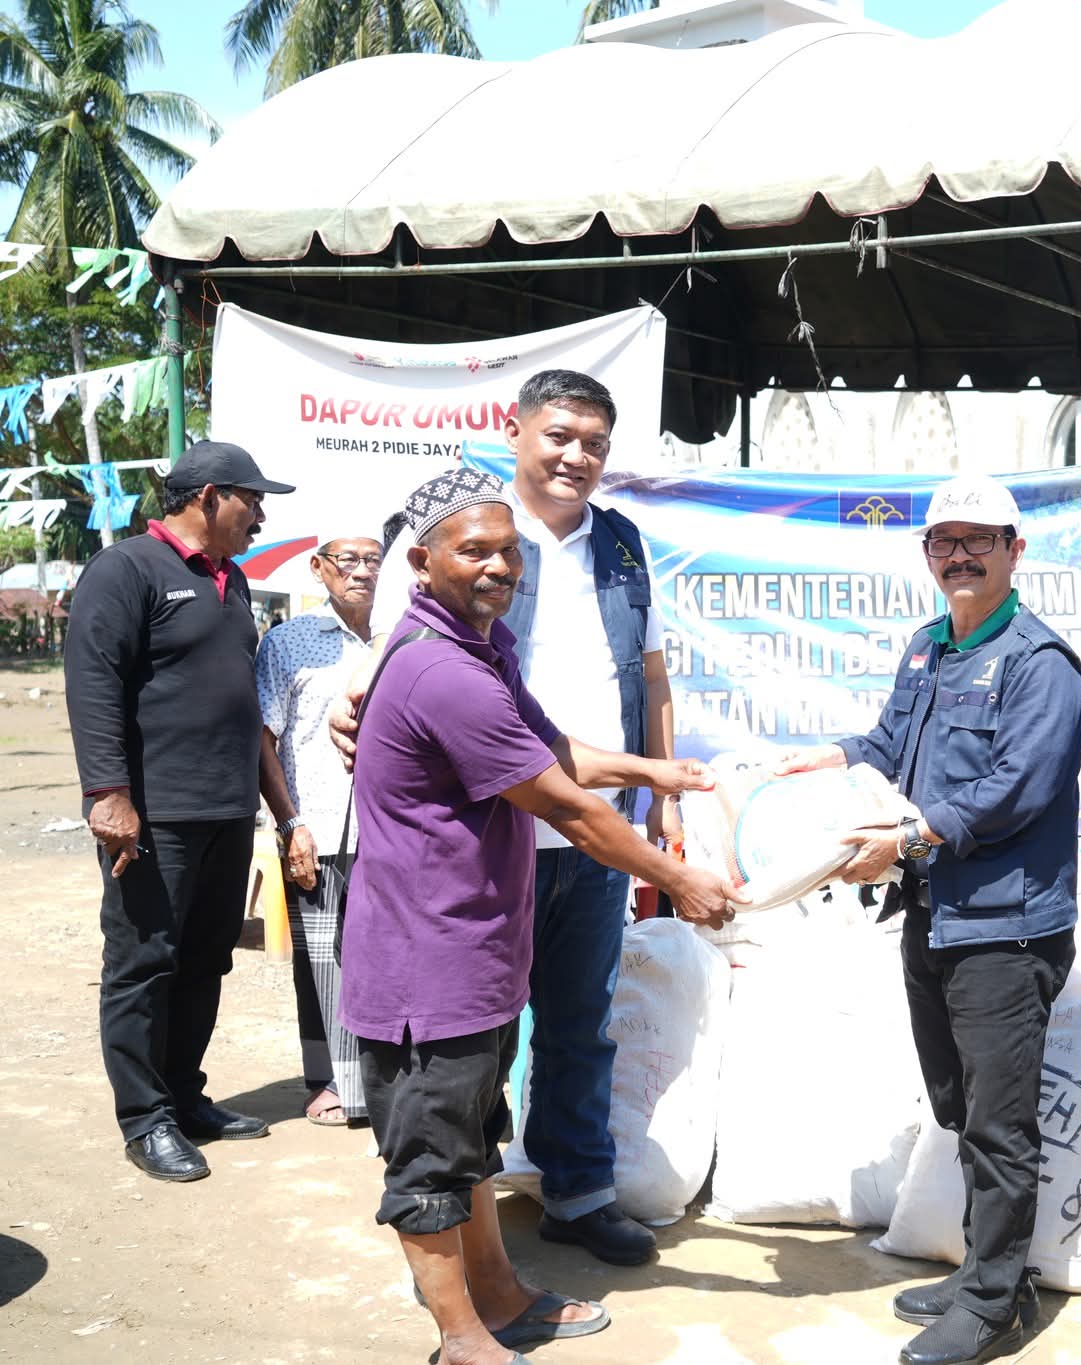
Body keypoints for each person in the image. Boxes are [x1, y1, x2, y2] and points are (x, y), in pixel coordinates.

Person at [342, 469, 736, 1365]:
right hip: (425, 968)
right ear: (422, 562)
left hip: (475, 953)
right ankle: (462, 1339)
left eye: (508, 550)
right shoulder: (444, 671)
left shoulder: (484, 649)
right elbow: (564, 805)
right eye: (473, 550)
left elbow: (553, 748)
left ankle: (501, 1299)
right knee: (432, 1161)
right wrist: (679, 879)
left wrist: (653, 771)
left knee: (475, 1143)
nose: (498, 566)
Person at [344, 370, 674, 1266]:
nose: (576, 457)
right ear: (515, 430)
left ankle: (577, 1191)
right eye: (560, 435)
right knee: (471, 1033)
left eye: (595, 443)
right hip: (494, 834)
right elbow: (390, 661)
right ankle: (453, 1230)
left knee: (581, 1021)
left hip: (598, 824)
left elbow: (649, 676)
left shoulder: (622, 546)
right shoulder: (461, 530)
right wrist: (350, 703)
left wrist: (661, 795)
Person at [777, 473, 1081, 1365]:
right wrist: (829, 756)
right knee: (956, 1103)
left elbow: (1019, 788)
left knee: (1000, 1120)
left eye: (978, 539)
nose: (959, 555)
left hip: (1004, 925)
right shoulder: (928, 647)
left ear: (1014, 551)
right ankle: (986, 1269)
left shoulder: (1039, 662)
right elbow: (889, 746)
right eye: (943, 541)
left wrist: (909, 834)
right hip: (932, 911)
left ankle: (995, 1301)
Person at [64, 441, 296, 1182]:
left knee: (205, 958)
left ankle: (185, 1096)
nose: (260, 516)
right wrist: (108, 793)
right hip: (154, 814)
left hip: (225, 810)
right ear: (208, 496)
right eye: (252, 500)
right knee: (143, 963)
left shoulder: (232, 580)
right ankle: (146, 1118)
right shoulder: (126, 569)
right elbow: (93, 683)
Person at [256, 535, 382, 1127]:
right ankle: (331, 1080)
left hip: (392, 827)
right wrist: (290, 824)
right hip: (319, 826)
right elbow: (263, 738)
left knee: (382, 955)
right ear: (319, 567)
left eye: (372, 560)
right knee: (322, 962)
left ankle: (378, 1080)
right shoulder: (288, 642)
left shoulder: (401, 635)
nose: (361, 572)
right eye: (347, 560)